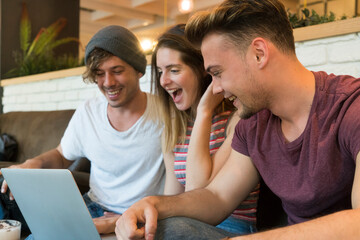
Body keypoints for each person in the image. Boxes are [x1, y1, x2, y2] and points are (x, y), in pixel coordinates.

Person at [114, 0, 360, 239]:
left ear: (258, 54)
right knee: (167, 229)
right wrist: (153, 204)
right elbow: (216, 197)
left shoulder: (351, 106)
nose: (216, 88)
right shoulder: (253, 123)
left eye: (218, 73)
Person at [0, 25, 165, 236]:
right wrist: (30, 165)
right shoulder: (89, 111)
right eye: (99, 74)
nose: (108, 83)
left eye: (117, 71)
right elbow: (61, 156)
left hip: (139, 216)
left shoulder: (165, 114)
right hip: (92, 209)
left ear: (138, 70)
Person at [152, 24, 259, 235]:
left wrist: (204, 112)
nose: (164, 81)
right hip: (186, 227)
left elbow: (197, 191)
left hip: (233, 227)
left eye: (174, 70)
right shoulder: (174, 127)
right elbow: (175, 200)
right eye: (159, 72)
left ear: (203, 70)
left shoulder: (238, 119)